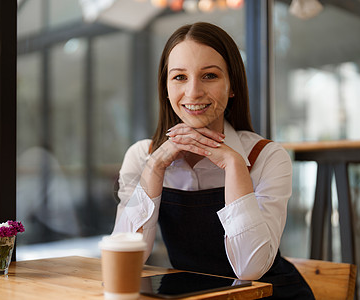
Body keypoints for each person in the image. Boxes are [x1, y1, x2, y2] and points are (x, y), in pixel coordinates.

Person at [112, 22, 314, 299]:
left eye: (209, 76)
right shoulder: (142, 157)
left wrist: (233, 165)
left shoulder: (267, 157)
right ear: (166, 88)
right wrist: (155, 167)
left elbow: (250, 269)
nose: (193, 92)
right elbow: (127, 257)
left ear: (232, 86)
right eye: (180, 77)